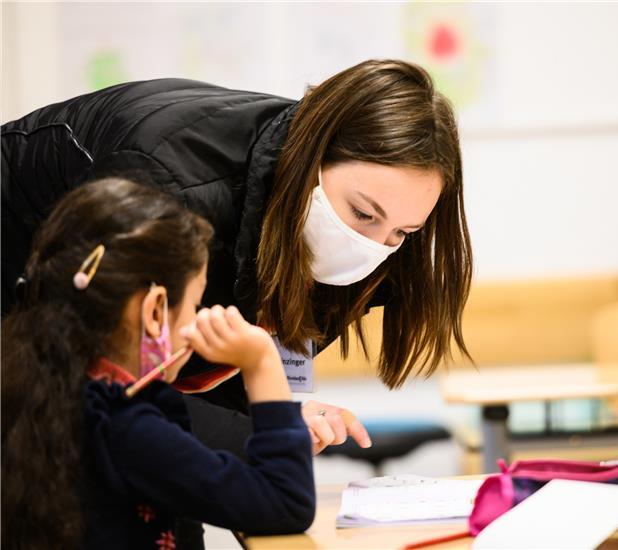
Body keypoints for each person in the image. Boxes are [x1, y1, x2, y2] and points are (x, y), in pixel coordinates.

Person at [1, 59, 472, 458]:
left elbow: (218, 365)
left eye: (402, 233)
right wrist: (269, 429)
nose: (371, 246)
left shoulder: (363, 239)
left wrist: (278, 413)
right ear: (312, 158)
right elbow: (112, 386)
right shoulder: (168, 185)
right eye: (364, 214)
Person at [1, 179, 315, 550]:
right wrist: (261, 361)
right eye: (194, 306)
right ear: (154, 311)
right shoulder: (126, 428)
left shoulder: (29, 388)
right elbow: (285, 503)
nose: (196, 321)